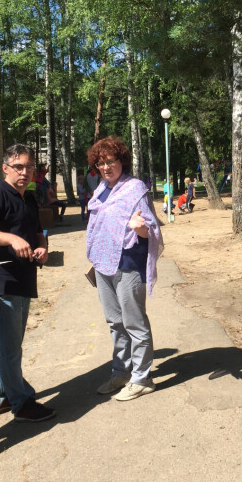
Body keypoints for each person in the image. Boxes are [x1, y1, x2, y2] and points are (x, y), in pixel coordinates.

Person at [0, 144, 55, 422]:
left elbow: (37, 231)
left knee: (5, 343)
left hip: (22, 278)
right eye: (18, 166)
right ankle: (21, 402)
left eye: (29, 166)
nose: (24, 172)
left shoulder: (28, 198)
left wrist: (42, 246)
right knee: (9, 348)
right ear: (5, 168)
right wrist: (11, 238)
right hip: (0, 281)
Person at [86, 135, 163, 402]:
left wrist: (139, 227)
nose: (106, 167)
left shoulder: (135, 188)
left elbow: (150, 229)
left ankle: (142, 379)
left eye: (111, 161)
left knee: (134, 323)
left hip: (129, 264)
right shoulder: (101, 189)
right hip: (103, 264)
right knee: (115, 322)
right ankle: (121, 372)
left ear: (122, 161)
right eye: (101, 163)